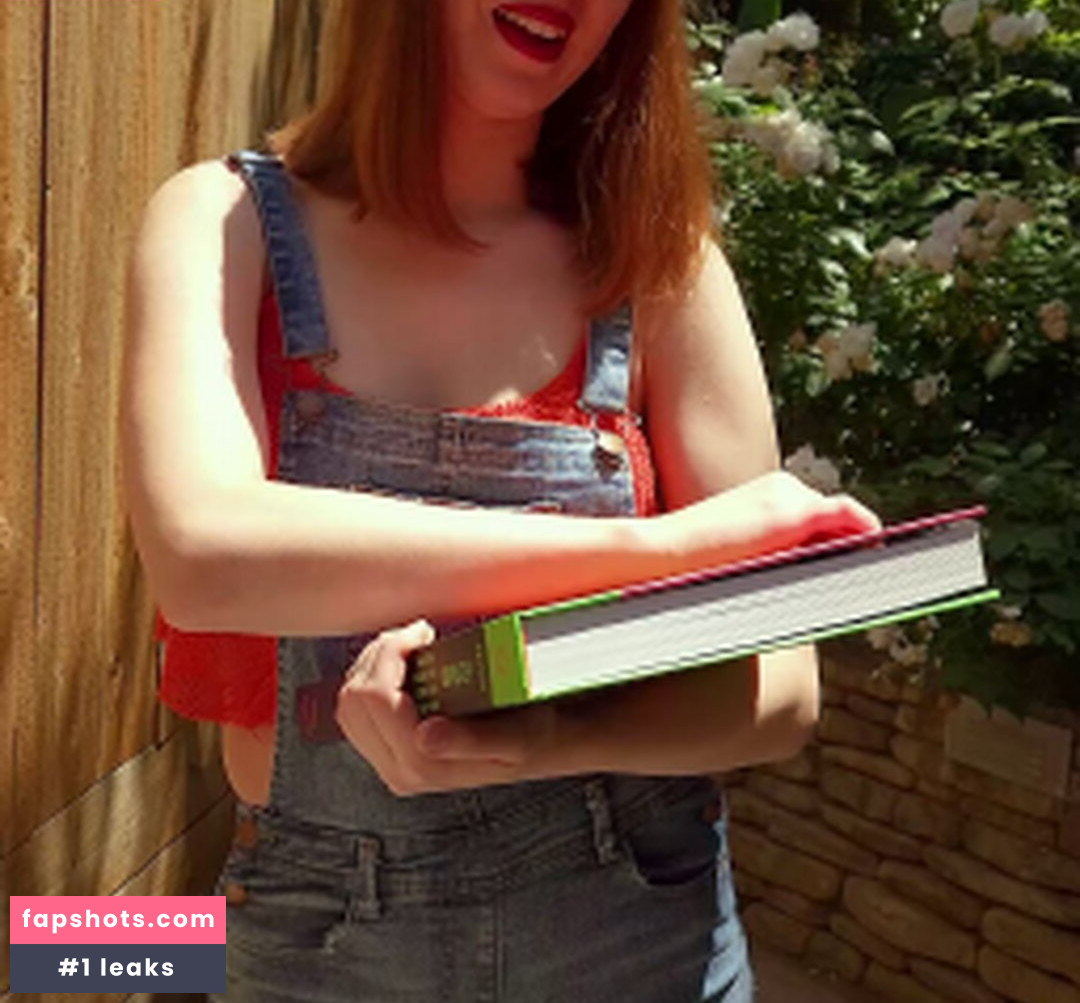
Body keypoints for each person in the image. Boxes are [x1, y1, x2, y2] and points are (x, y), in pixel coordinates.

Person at [122, 1, 879, 999]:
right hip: (321, 945)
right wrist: (671, 551)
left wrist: (552, 740)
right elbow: (204, 555)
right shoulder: (219, 224)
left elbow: (780, 692)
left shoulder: (662, 260)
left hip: (641, 932)